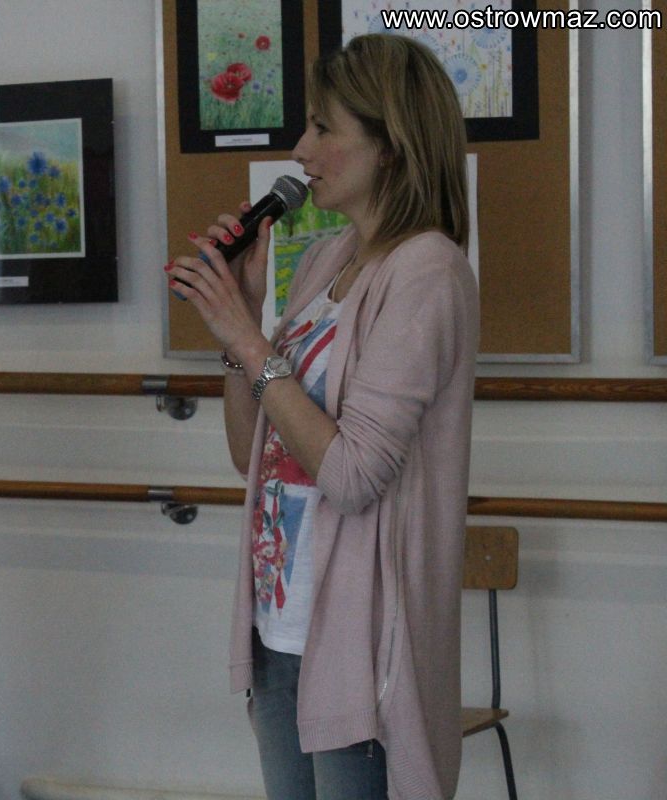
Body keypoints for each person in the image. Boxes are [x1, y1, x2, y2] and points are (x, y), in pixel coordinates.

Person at [166, 35, 479, 800]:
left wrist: (249, 341)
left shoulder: (428, 272)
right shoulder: (324, 261)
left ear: (390, 144)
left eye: (322, 127)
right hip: (281, 625)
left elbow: (353, 475)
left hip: (359, 644)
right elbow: (250, 453)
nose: (301, 150)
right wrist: (242, 328)